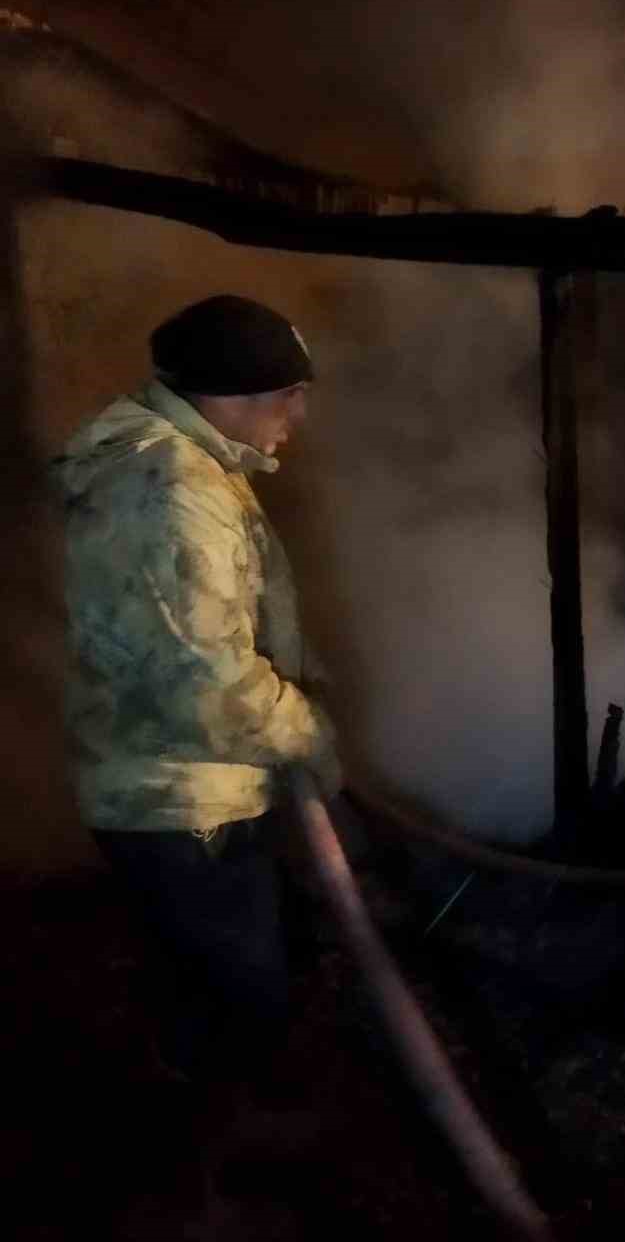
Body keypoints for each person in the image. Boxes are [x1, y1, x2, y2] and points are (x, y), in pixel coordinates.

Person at [53, 294, 341, 1133]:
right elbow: (206, 680)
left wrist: (298, 687)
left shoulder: (185, 465)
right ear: (233, 396)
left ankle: (190, 1107)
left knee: (200, 979)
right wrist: (307, 730)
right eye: (289, 394)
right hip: (181, 798)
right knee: (246, 995)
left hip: (179, 780)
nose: (300, 412)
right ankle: (231, 1158)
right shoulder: (168, 492)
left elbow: (221, 625)